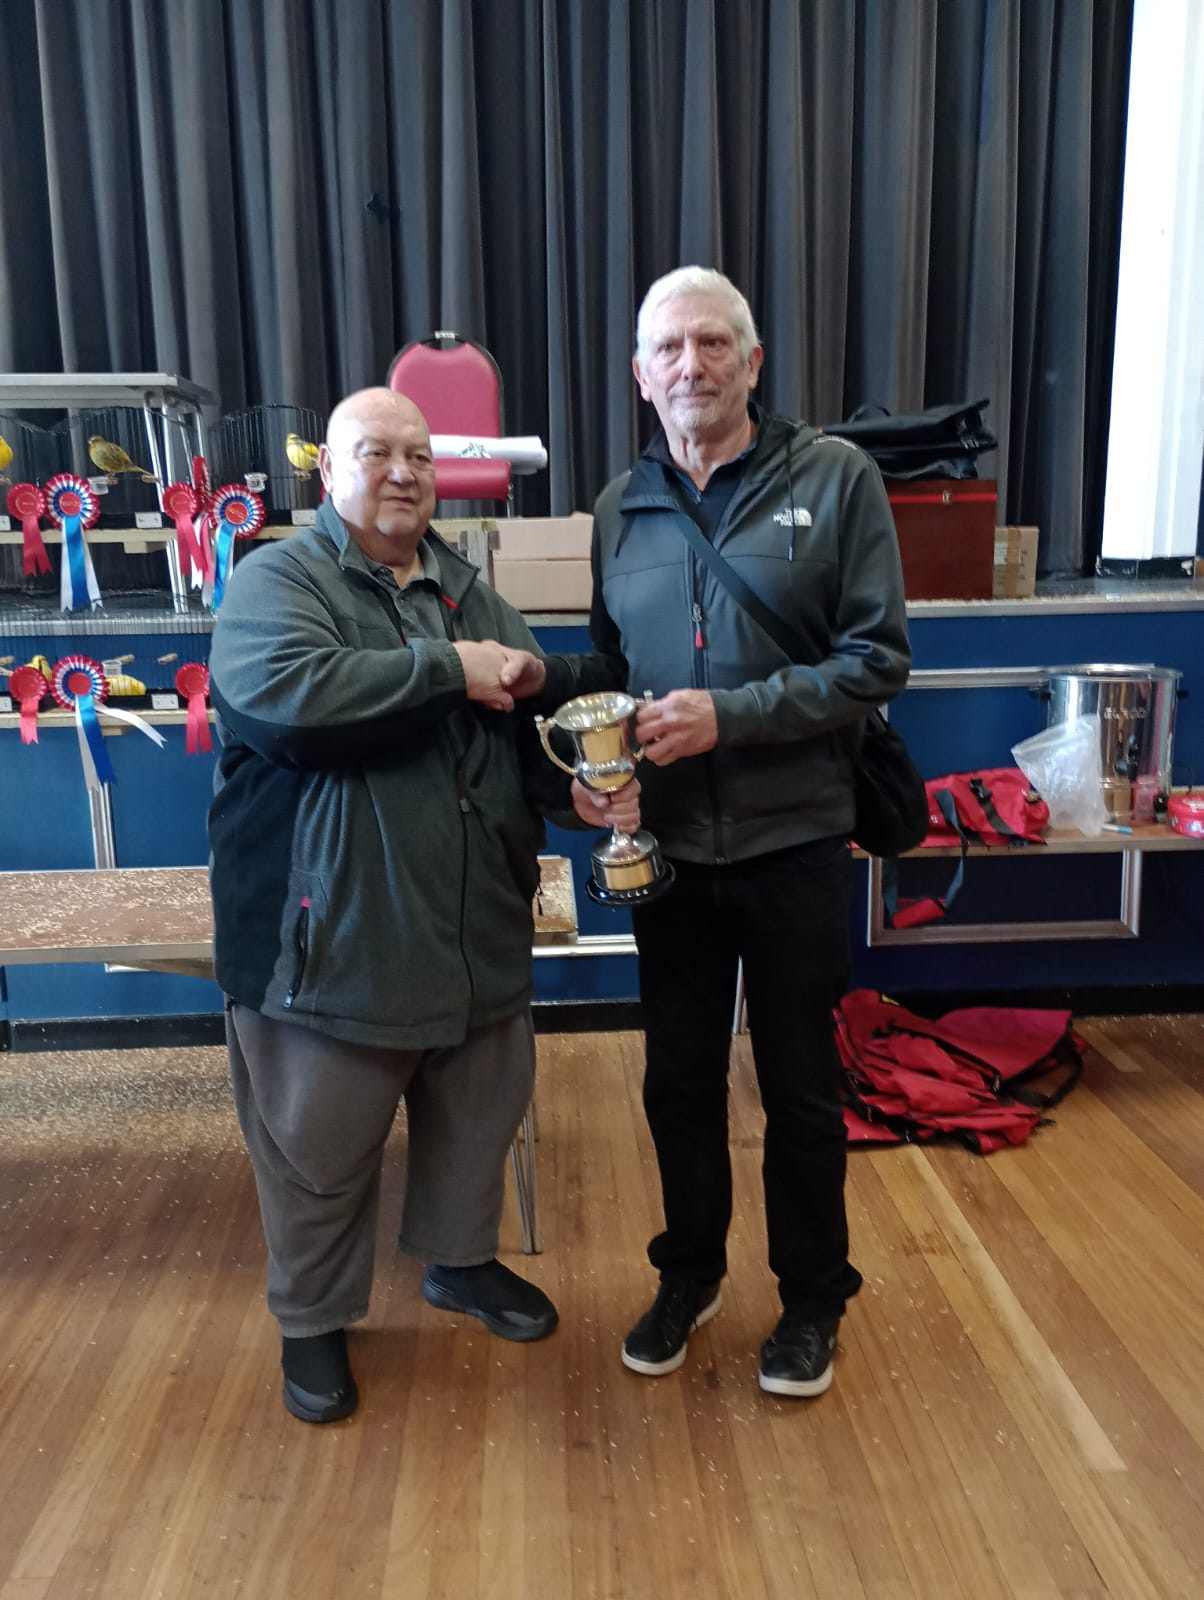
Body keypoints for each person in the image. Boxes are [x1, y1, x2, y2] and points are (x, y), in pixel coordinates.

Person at [207, 387, 639, 1424]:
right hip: (331, 940)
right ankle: (312, 1318)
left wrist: (572, 796)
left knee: (476, 1118)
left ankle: (459, 1261)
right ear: (327, 471)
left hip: (475, 927)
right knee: (317, 1146)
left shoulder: (466, 588)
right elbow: (293, 703)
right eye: (375, 453)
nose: (402, 472)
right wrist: (451, 667)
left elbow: (521, 731)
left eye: (419, 455)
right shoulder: (277, 580)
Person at [578, 267, 910, 1397]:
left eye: (713, 342)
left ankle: (812, 1298)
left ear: (753, 362)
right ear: (640, 374)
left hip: (795, 841)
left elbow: (876, 661)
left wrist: (733, 716)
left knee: (802, 1087)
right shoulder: (619, 508)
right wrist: (600, 770)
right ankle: (689, 1273)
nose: (692, 365)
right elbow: (612, 669)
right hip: (667, 853)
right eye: (668, 348)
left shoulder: (837, 478)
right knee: (676, 1082)